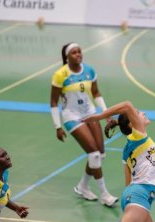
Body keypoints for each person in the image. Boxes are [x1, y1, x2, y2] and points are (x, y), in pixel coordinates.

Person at [83, 101, 155, 222]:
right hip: (139, 195)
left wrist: (133, 205)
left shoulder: (129, 147)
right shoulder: (138, 135)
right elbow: (126, 105)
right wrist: (97, 116)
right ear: (132, 123)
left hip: (137, 196)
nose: (142, 113)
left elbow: (128, 181)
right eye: (139, 113)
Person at [50, 42, 118, 207]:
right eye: (74, 52)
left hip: (90, 112)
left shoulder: (90, 71)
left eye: (79, 51)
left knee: (100, 154)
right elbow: (53, 101)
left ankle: (83, 186)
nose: (78, 54)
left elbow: (96, 92)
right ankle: (104, 194)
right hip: (71, 116)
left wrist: (106, 113)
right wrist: (57, 127)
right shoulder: (60, 75)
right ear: (67, 56)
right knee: (94, 154)